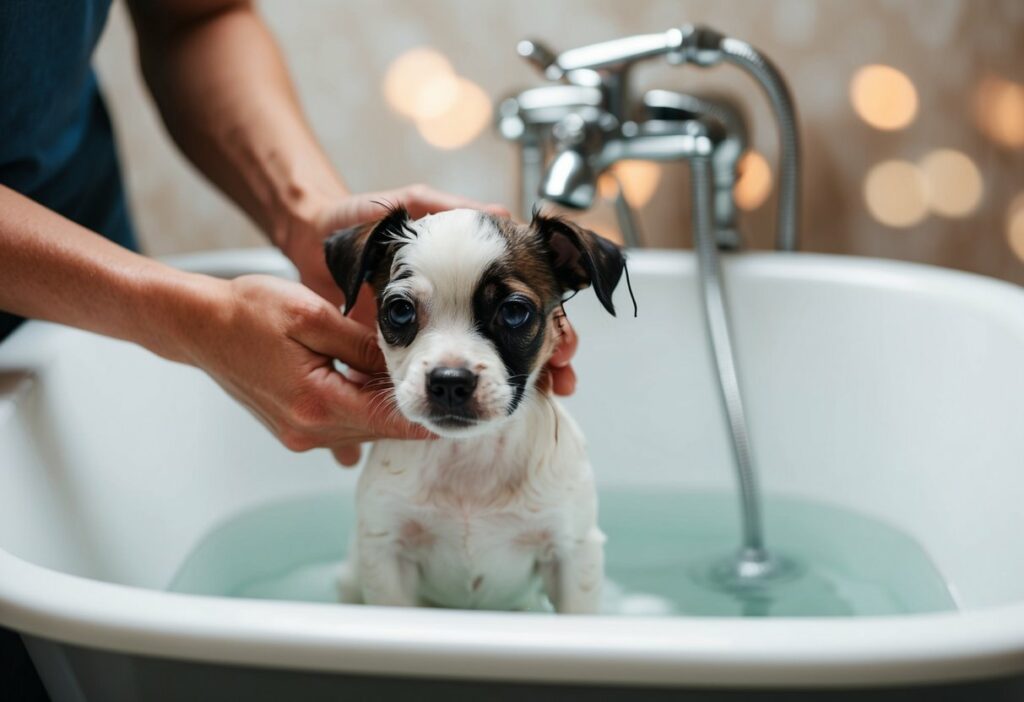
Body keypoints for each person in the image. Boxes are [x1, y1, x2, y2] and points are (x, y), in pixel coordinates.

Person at [0, 1, 577, 697]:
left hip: (74, 232)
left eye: (513, 314)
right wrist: (187, 316)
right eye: (405, 314)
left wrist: (304, 212)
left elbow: (193, 15)